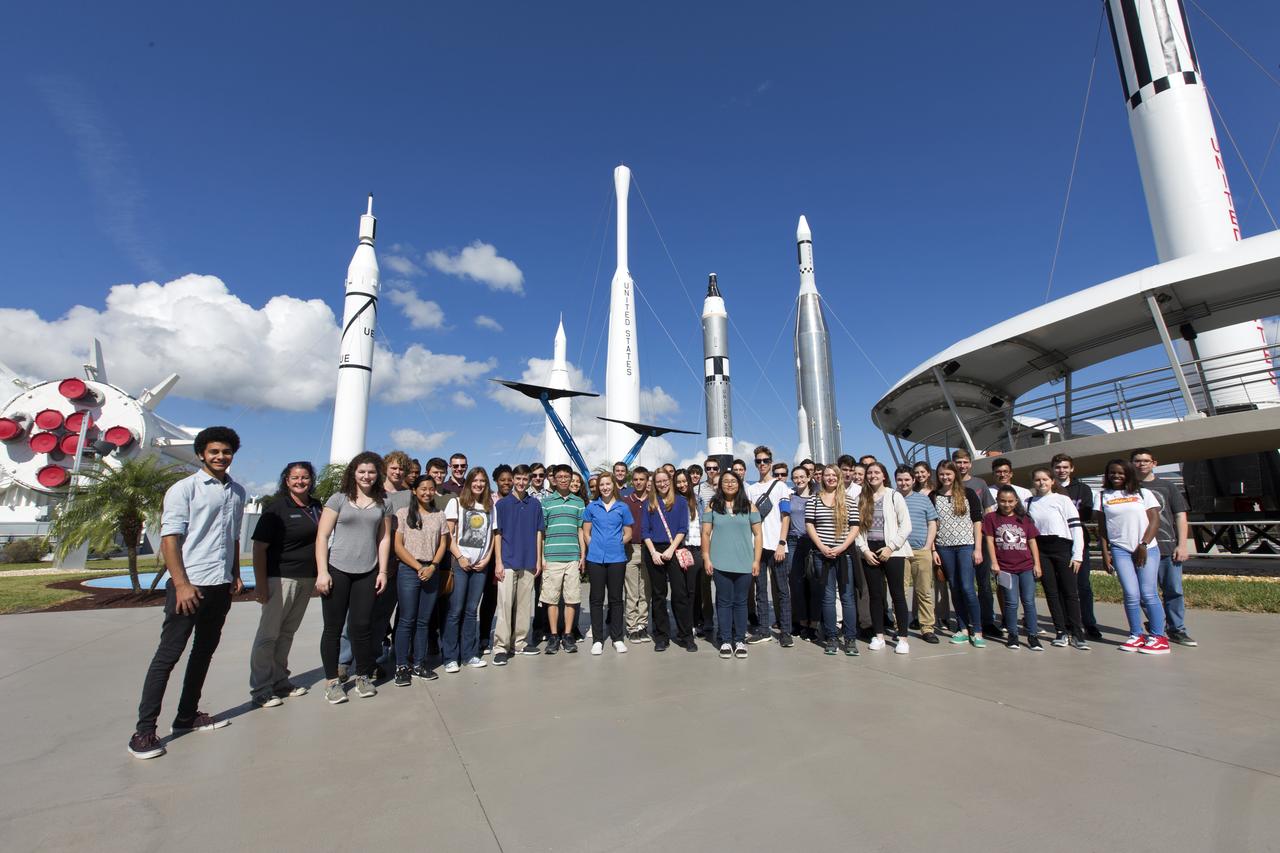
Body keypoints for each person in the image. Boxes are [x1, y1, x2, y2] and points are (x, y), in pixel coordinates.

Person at [128, 427, 246, 760]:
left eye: (226, 451)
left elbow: (233, 538)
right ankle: (144, 731)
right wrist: (181, 584)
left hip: (219, 585)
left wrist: (235, 575)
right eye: (214, 452)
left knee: (203, 652)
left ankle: (186, 715)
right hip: (189, 586)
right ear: (201, 454)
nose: (220, 457)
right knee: (168, 656)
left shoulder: (237, 492)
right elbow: (170, 539)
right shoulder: (184, 489)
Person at [316, 451, 391, 704]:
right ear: (353, 473)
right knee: (333, 628)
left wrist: (382, 571)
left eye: (371, 472)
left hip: (367, 571)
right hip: (337, 569)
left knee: (361, 626)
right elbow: (322, 536)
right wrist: (323, 571)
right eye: (362, 471)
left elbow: (384, 538)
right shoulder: (338, 499)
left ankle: (362, 675)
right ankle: (332, 681)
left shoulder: (383, 502)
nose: (367, 476)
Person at [248, 460, 320, 708]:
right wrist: (261, 584)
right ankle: (261, 688)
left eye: (305, 477)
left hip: (306, 577)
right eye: (295, 478)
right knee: (268, 635)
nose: (301, 482)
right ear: (287, 481)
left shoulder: (316, 506)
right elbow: (259, 548)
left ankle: (280, 680)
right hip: (280, 577)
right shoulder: (276, 509)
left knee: (287, 633)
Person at [1098, 459, 1169, 655]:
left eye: (1120, 473)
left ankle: (1159, 637)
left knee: (1148, 593)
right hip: (1120, 549)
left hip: (1146, 548)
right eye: (1112, 473)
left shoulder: (1142, 493)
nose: (1116, 476)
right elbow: (1102, 528)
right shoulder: (1103, 495)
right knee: (1130, 594)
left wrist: (1144, 544)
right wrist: (1105, 554)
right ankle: (1136, 634)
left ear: (1128, 473)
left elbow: (1154, 521)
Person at [1131, 448, 1195, 646]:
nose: (1141, 464)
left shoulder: (1168, 486)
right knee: (1143, 592)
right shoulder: (1128, 488)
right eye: (1137, 461)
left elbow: (1180, 516)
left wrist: (1182, 545)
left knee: (1173, 590)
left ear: (1154, 463)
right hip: (1141, 548)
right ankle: (1157, 623)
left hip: (1167, 546)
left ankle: (1177, 629)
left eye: (1146, 460)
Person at [391, 475, 446, 684]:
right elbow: (398, 545)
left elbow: (443, 544)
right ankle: (401, 665)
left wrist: (432, 566)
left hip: (431, 571)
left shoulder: (439, 515)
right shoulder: (403, 513)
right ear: (414, 490)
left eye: (431, 489)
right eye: (423, 488)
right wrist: (418, 566)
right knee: (407, 620)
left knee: (424, 621)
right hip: (409, 570)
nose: (427, 492)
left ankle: (419, 664)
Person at [1026, 468, 1088, 650]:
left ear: (1052, 481)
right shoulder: (1029, 502)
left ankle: (1077, 632)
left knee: (1070, 592)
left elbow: (1076, 527)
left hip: (1062, 547)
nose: (1041, 483)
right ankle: (1061, 631)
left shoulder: (1063, 500)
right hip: (1042, 549)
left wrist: (1077, 555)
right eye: (1037, 480)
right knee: (1051, 592)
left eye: (1045, 479)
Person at [702, 471, 762, 659]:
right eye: (725, 481)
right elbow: (705, 533)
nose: (729, 484)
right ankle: (726, 640)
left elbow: (758, 535)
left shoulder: (749, 506)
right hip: (720, 563)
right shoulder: (712, 506)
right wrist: (706, 557)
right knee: (724, 602)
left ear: (739, 484)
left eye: (733, 481)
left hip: (744, 563)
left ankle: (740, 641)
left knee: (741, 602)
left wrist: (756, 560)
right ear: (720, 485)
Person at [856, 463, 913, 654]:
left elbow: (906, 526)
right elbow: (856, 528)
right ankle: (879, 635)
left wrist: (891, 547)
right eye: (870, 473)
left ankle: (903, 638)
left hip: (892, 550)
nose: (873, 475)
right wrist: (864, 549)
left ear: (884, 475)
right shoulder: (862, 498)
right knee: (875, 595)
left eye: (876, 472)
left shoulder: (894, 495)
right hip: (870, 551)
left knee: (897, 594)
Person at [443, 467, 496, 671]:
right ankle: (450, 656)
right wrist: (460, 557)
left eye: (482, 481)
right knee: (455, 610)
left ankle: (470, 654)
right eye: (475, 480)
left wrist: (487, 557)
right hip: (460, 564)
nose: (479, 484)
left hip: (480, 566)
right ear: (469, 482)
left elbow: (492, 536)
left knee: (472, 611)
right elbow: (447, 534)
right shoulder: (456, 503)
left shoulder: (489, 505)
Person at [930, 461, 987, 648]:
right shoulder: (934, 496)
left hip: (966, 546)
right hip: (944, 548)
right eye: (941, 474)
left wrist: (978, 548)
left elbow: (977, 521)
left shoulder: (967, 494)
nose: (945, 477)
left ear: (954, 474)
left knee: (968, 588)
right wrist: (933, 550)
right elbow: (931, 524)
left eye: (948, 474)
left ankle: (977, 630)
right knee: (954, 587)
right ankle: (962, 628)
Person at [492, 465, 545, 664]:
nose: (522, 483)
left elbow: (539, 532)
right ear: (513, 479)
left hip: (529, 560)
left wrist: (538, 559)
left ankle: (521, 642)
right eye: (519, 479)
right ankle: (501, 647)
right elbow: (497, 534)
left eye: (525, 479)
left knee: (524, 605)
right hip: (507, 560)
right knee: (505, 605)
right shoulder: (502, 505)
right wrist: (498, 561)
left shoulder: (535, 504)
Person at [806, 465, 861, 656]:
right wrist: (822, 547)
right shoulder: (814, 499)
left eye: (833, 475)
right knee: (828, 598)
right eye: (827, 475)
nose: (830, 478)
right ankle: (831, 637)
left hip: (844, 555)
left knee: (847, 597)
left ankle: (851, 638)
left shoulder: (849, 500)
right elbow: (810, 524)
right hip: (822, 555)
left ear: (839, 478)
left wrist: (842, 547)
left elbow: (855, 527)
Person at [983, 486, 1043, 651]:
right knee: (1010, 602)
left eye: (1010, 501)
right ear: (998, 501)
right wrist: (993, 562)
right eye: (1003, 501)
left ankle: (1032, 636)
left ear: (1016, 501)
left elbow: (1032, 541)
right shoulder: (991, 518)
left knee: (1029, 602)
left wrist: (1037, 564)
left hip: (1026, 566)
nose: (1006, 504)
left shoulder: (1024, 518)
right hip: (1005, 567)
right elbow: (989, 541)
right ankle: (1013, 635)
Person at [1053, 453, 1103, 640]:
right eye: (1058, 467)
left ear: (1072, 469)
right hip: (1057, 543)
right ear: (1053, 469)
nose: (1062, 470)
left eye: (1065, 467)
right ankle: (1067, 623)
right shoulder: (1046, 488)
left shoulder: (1082, 489)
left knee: (1082, 585)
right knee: (1061, 585)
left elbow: (1086, 514)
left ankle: (1089, 622)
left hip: (1078, 541)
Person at [640, 468, 690, 653]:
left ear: (670, 480)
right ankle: (661, 636)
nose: (662, 484)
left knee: (680, 594)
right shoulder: (649, 503)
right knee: (658, 595)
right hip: (654, 550)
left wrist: (671, 549)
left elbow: (682, 528)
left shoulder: (681, 501)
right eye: (658, 481)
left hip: (673, 548)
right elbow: (645, 530)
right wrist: (653, 552)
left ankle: (686, 635)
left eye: (665, 480)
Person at [583, 472, 633, 654]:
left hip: (617, 558)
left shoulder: (622, 507)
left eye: (608, 484)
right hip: (595, 559)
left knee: (616, 599)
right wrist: (593, 545)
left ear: (613, 485)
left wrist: (619, 543)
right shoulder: (592, 507)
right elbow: (586, 531)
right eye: (601, 484)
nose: (605, 487)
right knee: (596, 599)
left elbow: (628, 532)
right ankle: (597, 639)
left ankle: (617, 638)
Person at [747, 445, 792, 645]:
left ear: (770, 462)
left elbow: (785, 516)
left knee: (782, 591)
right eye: (758, 461)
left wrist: (782, 543)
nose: (762, 464)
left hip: (777, 545)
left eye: (765, 461)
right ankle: (764, 630)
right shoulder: (751, 489)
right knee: (760, 590)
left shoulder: (781, 487)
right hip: (758, 546)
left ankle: (785, 632)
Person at [540, 465, 586, 654]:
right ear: (554, 479)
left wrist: (583, 556)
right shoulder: (547, 502)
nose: (564, 480)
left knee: (571, 598)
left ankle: (568, 635)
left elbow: (580, 530)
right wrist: (541, 557)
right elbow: (541, 532)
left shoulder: (579, 502)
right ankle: (553, 636)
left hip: (572, 558)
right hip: (551, 558)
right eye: (560, 476)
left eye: (567, 476)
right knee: (551, 599)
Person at [897, 465, 939, 644]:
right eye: (900, 479)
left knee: (923, 591)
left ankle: (927, 628)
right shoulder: (892, 498)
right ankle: (901, 627)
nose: (904, 483)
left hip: (921, 550)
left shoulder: (923, 499)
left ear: (913, 480)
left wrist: (928, 545)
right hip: (899, 551)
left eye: (907, 479)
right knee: (900, 591)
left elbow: (932, 522)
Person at [478, 465, 512, 655]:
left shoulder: (518, 500)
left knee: (508, 600)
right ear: (496, 481)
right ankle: (484, 635)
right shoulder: (489, 500)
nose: (506, 483)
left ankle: (509, 636)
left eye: (509, 479)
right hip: (491, 556)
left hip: (511, 556)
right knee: (489, 599)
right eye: (502, 479)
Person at [785, 465, 818, 642]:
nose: (799, 480)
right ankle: (801, 621)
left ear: (808, 477)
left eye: (802, 477)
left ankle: (813, 624)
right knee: (796, 583)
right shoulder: (791, 497)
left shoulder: (817, 497)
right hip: (794, 541)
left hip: (812, 543)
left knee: (812, 583)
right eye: (795, 477)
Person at [674, 469, 705, 644]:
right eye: (678, 482)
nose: (682, 484)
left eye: (684, 481)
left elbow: (704, 526)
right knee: (681, 590)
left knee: (693, 589)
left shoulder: (698, 500)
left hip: (696, 548)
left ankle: (693, 623)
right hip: (680, 548)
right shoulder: (674, 501)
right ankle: (683, 625)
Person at [622, 467, 651, 642]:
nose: (639, 482)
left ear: (647, 481)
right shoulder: (625, 501)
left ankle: (643, 625)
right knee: (632, 591)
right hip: (631, 549)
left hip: (648, 549)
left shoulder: (653, 500)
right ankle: (631, 626)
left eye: (642, 479)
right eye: (636, 479)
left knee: (645, 591)